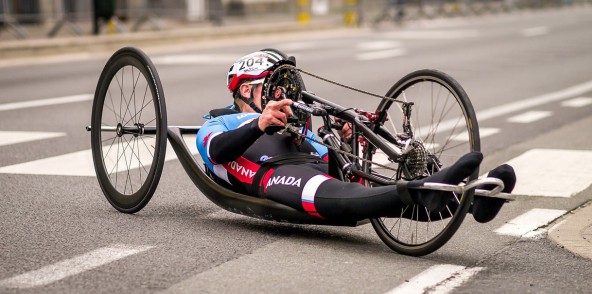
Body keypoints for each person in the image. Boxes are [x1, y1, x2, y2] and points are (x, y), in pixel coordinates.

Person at [196, 49, 515, 223]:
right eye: (275, 86)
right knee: (347, 197)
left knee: (371, 189)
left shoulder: (296, 124)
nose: (285, 94)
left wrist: (347, 142)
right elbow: (216, 153)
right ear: (249, 90)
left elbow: (335, 168)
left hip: (315, 172)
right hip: (272, 176)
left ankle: (472, 202)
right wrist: (258, 124)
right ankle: (423, 190)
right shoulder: (219, 122)